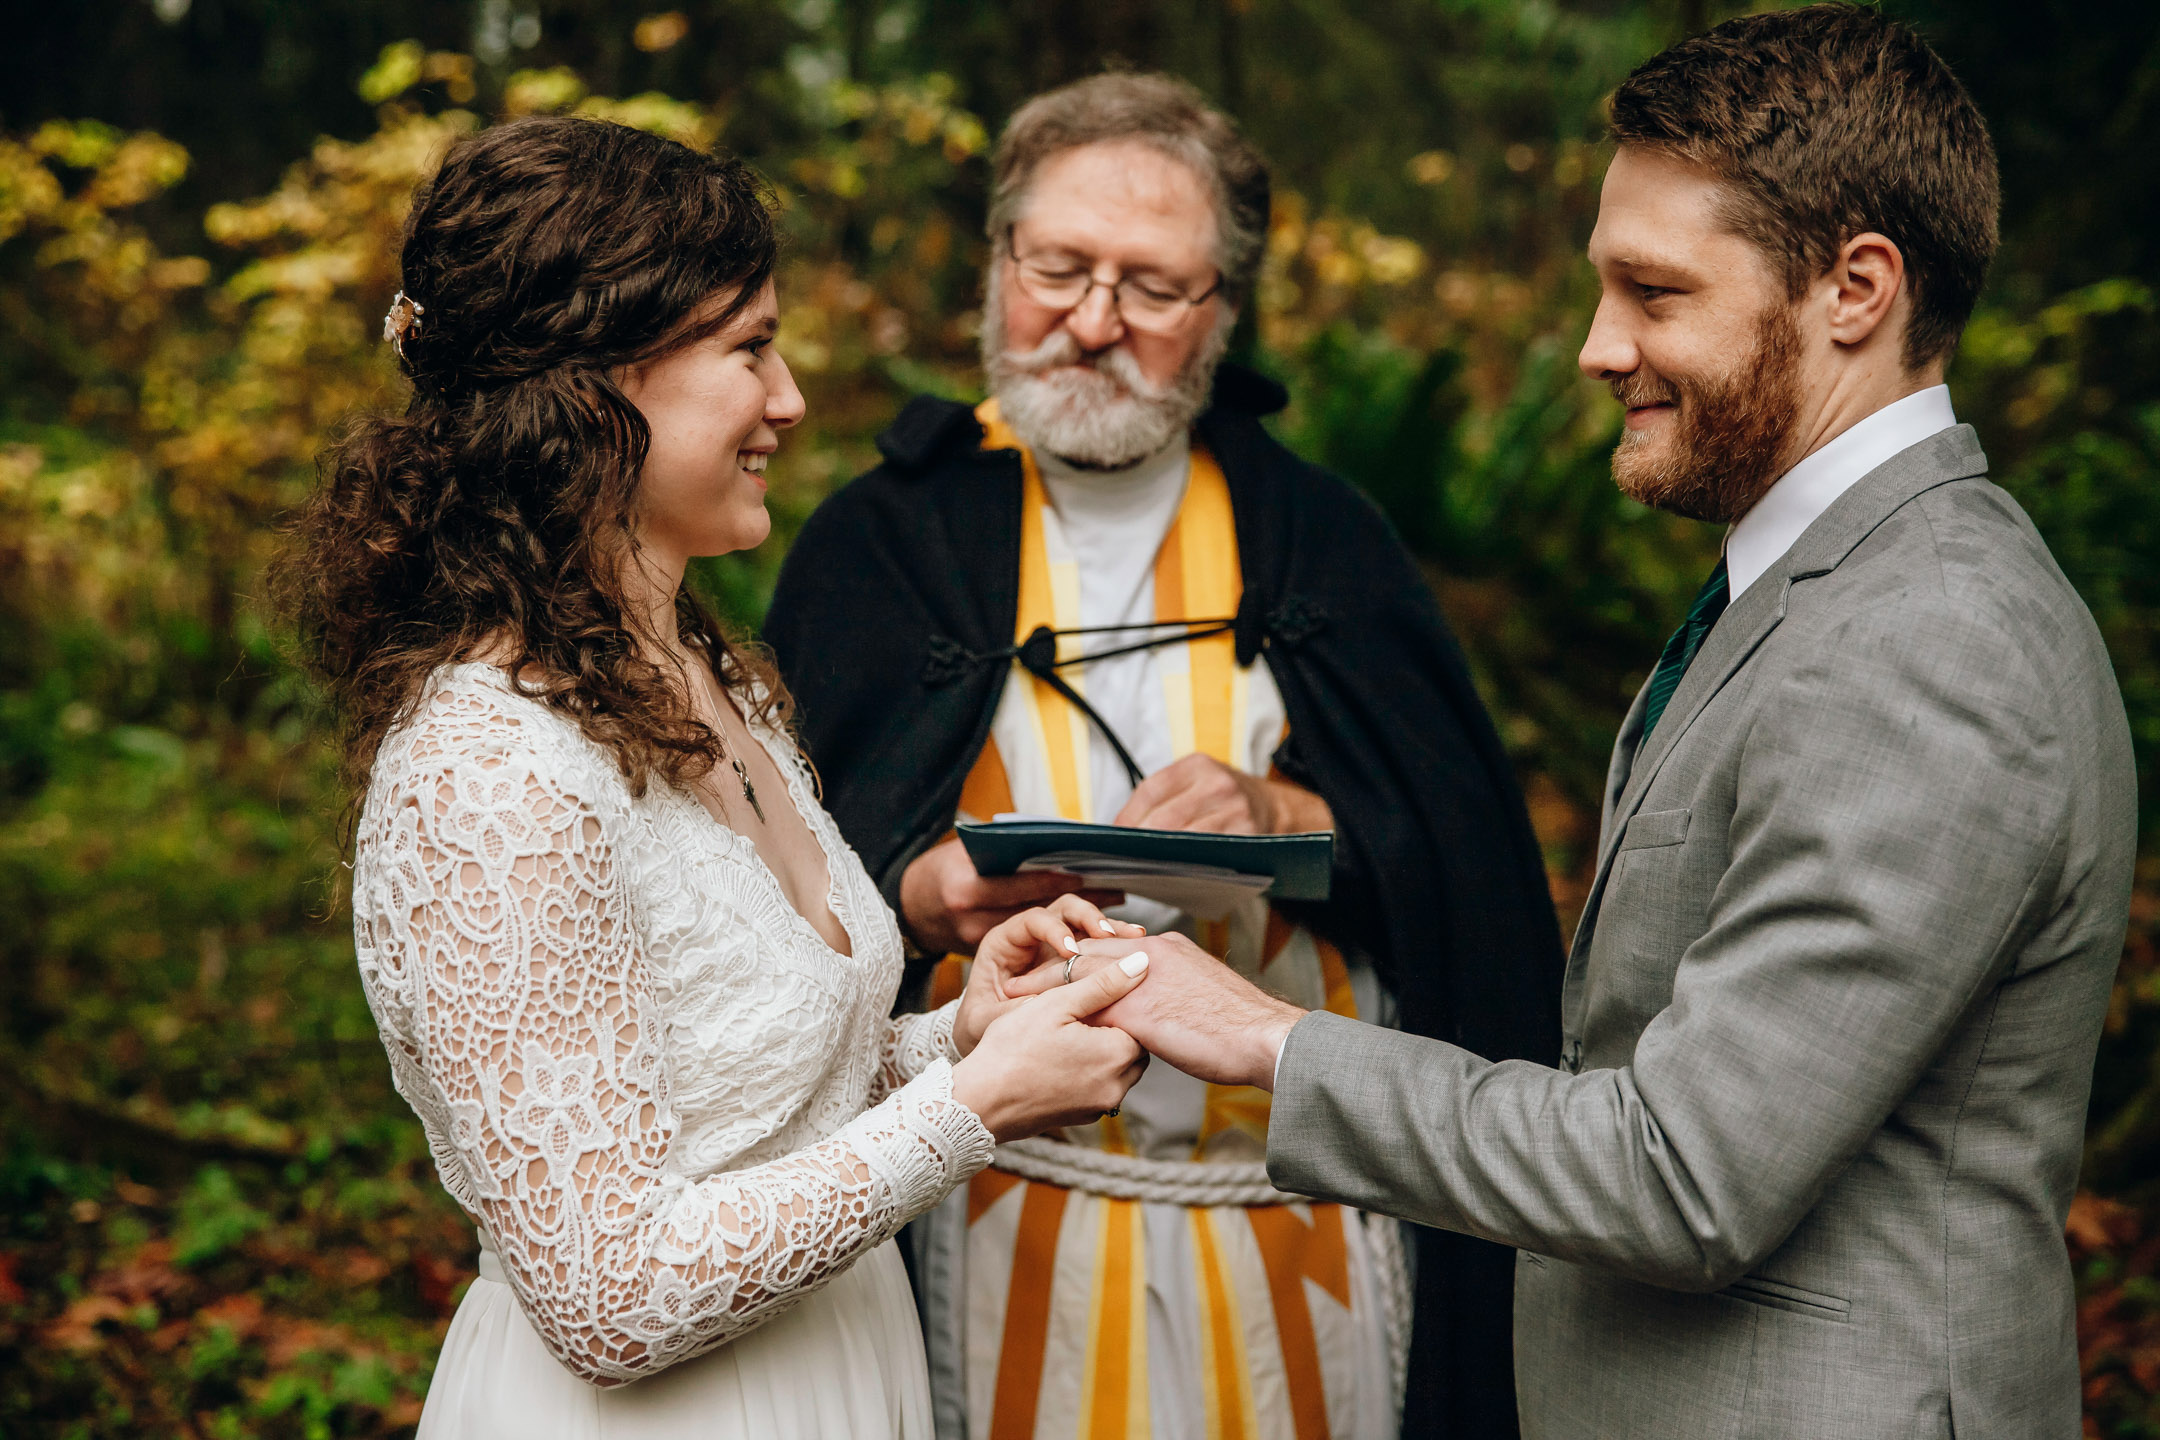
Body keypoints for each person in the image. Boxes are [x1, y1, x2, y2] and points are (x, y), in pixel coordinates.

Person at [1040, 9, 2138, 1439]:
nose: (1595, 348)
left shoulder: (1928, 640)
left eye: (1655, 293)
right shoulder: (1827, 584)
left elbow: (1683, 1174)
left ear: (1857, 287)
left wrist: (1266, 1039)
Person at [276, 115, 1159, 1440]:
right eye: (748, 347)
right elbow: (607, 1295)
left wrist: (963, 1032)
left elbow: (758, 1109)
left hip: (838, 1372)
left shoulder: (708, 676)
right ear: (592, 385)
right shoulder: (484, 769)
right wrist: (973, 1111)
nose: (791, 398)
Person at [763, 73, 1562, 1440]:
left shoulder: (1324, 540)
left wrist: (1287, 807)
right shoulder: (875, 544)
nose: (1091, 323)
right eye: (1059, 268)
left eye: (1152, 287)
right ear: (998, 261)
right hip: (985, 1225)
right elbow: (765, 901)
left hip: (1289, 1238)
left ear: (1225, 315)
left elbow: (1463, 871)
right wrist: (916, 894)